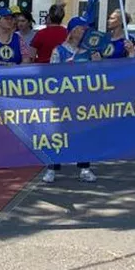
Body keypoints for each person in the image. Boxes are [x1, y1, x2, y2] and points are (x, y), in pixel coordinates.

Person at [43, 16, 100, 185]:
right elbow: (51, 77)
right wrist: (63, 68)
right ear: (74, 31)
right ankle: (52, 167)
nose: (85, 32)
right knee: (57, 133)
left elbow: (98, 77)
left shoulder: (89, 52)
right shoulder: (59, 50)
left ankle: (84, 167)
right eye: (82, 28)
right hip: (62, 100)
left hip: (83, 99)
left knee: (84, 133)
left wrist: (97, 63)